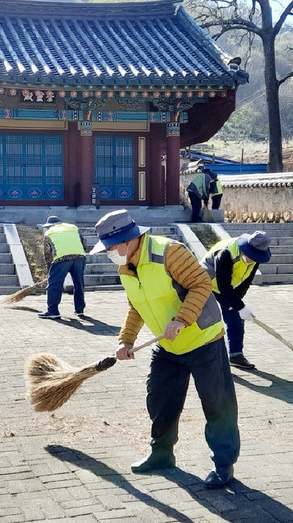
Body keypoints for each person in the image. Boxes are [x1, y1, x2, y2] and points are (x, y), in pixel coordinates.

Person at [90, 209, 239, 489]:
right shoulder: (125, 266)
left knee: (217, 405)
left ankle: (223, 465)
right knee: (160, 400)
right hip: (168, 345)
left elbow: (201, 284)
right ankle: (161, 454)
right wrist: (126, 340)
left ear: (126, 240)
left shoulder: (169, 252)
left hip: (203, 340)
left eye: (110, 247)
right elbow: (136, 306)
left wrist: (181, 319)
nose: (109, 253)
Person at [201, 231, 271, 370]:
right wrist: (240, 307)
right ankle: (205, 358)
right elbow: (223, 285)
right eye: (251, 256)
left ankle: (235, 355)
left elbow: (246, 282)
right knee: (208, 321)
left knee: (235, 318)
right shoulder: (225, 254)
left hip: (226, 288)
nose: (253, 260)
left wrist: (238, 305)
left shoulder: (257, 257)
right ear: (245, 249)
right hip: (206, 283)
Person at [38, 216, 87, 319]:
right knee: (79, 283)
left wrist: (49, 268)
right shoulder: (73, 227)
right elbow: (84, 242)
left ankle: (53, 311)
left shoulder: (49, 233)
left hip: (61, 258)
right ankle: (80, 310)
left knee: (54, 285)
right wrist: (80, 253)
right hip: (80, 256)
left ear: (49, 225)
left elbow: (47, 253)